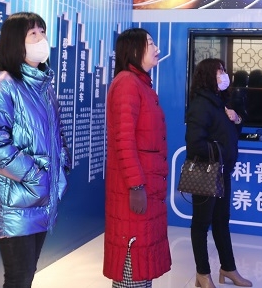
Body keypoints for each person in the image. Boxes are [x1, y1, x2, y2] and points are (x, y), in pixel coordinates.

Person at [0, 12, 71, 288]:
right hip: (14, 200)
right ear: (16, 42)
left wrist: (60, 167)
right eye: (33, 34)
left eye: (43, 32)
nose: (41, 39)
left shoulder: (43, 86)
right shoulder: (3, 83)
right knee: (18, 277)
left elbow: (56, 135)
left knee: (25, 276)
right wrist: (35, 177)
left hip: (39, 198)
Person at [104, 28, 171, 287]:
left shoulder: (141, 84)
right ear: (133, 49)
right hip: (135, 190)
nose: (156, 49)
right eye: (150, 43)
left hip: (147, 188)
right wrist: (136, 186)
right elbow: (124, 140)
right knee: (132, 261)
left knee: (143, 264)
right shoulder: (127, 83)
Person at [185, 58, 253, 288]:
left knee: (222, 221)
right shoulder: (200, 104)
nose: (224, 75)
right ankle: (202, 274)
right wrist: (221, 152)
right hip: (206, 172)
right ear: (207, 76)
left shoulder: (221, 100)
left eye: (224, 70)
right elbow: (194, 143)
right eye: (219, 71)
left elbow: (232, 131)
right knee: (201, 224)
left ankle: (228, 268)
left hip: (222, 171)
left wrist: (237, 118)